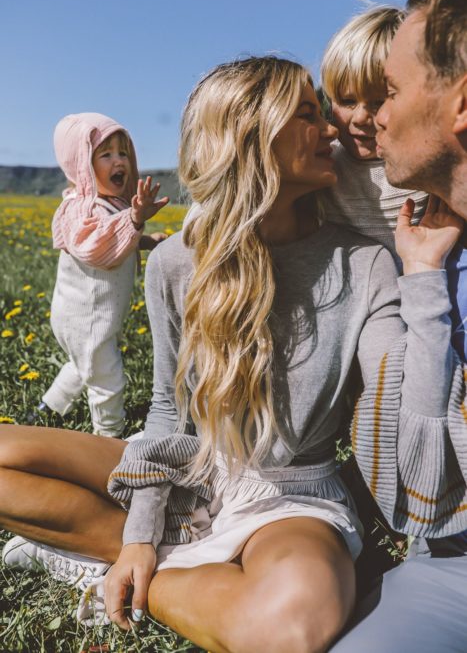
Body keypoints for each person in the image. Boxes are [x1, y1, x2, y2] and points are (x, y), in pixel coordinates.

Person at [0, 57, 460, 653]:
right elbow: (168, 410)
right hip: (194, 463)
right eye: (306, 114)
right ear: (250, 134)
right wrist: (140, 532)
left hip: (292, 495)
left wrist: (424, 276)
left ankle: (139, 576)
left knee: (293, 628)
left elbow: (401, 410)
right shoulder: (174, 263)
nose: (330, 131)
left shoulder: (363, 265)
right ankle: (125, 551)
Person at [331, 0, 467, 651]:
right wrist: (421, 279)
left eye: (386, 91)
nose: (371, 118)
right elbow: (424, 498)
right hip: (445, 567)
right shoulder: (435, 257)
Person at [38, 113, 168, 437]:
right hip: (87, 320)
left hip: (86, 319)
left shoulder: (110, 206)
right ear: (81, 163)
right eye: (106, 154)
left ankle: (50, 408)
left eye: (123, 153)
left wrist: (146, 240)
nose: (118, 161)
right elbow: (96, 247)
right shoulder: (85, 208)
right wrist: (136, 221)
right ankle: (109, 439)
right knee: (107, 377)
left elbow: (115, 240)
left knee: (83, 366)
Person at [319, 5, 427, 264]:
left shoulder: (428, 166)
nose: (359, 118)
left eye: (378, 102)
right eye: (347, 101)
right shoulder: (323, 164)